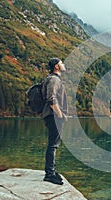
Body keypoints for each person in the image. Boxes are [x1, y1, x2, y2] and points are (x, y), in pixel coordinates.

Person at [41, 57, 68, 185]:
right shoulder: (53, 79)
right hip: (53, 116)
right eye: (61, 63)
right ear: (56, 66)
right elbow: (51, 98)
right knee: (53, 145)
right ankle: (49, 174)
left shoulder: (54, 79)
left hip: (52, 116)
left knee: (54, 144)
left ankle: (51, 171)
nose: (63, 64)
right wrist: (60, 115)